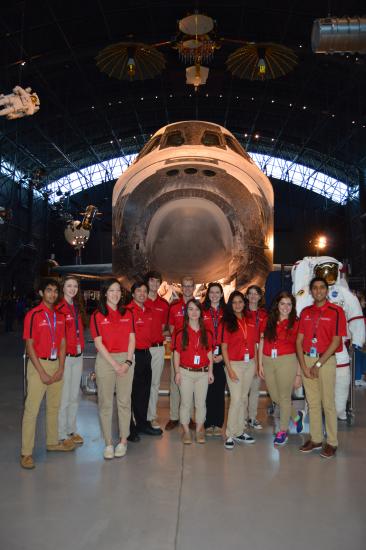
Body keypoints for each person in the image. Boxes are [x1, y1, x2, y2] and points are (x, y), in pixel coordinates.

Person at [21, 278, 75, 469]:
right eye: (49, 290)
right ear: (41, 293)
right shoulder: (33, 315)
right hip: (38, 367)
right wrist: (41, 372)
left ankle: (52, 442)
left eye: (55, 291)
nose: (52, 294)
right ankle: (26, 452)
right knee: (32, 410)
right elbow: (29, 346)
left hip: (56, 366)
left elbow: (62, 342)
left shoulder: (59, 316)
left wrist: (61, 367)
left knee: (54, 407)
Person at [296, 277, 347, 459]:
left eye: (322, 288)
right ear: (311, 291)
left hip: (325, 362)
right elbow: (299, 340)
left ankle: (332, 442)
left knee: (328, 403)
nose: (318, 291)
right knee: (313, 403)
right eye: (315, 288)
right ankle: (316, 439)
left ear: (326, 290)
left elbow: (336, 341)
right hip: (307, 360)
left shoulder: (336, 311)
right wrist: (303, 365)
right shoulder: (305, 312)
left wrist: (318, 364)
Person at [90, 279, 135, 459]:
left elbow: (132, 339)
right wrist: (115, 364)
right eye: (111, 291)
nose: (115, 294)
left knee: (124, 402)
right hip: (105, 360)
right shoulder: (97, 315)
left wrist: (127, 362)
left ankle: (123, 440)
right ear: (105, 294)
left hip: (126, 359)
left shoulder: (128, 313)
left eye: (118, 291)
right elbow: (98, 343)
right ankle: (108, 443)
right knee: (105, 403)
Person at [258, 291, 303, 445]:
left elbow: (299, 349)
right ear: (277, 305)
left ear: (293, 306)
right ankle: (296, 416)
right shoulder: (268, 320)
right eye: (282, 303)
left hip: (287, 361)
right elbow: (262, 342)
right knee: (276, 397)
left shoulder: (296, 323)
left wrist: (298, 374)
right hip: (268, 360)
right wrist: (260, 364)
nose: (285, 307)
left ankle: (283, 431)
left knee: (284, 397)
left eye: (289, 304)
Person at [221, 290, 257, 450]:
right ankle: (229, 434)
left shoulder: (250, 319)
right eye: (234, 302)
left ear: (244, 303)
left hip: (249, 363)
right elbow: (224, 348)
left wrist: (256, 364)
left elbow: (255, 341)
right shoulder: (227, 322)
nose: (237, 305)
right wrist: (229, 369)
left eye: (240, 302)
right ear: (230, 304)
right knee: (235, 399)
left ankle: (239, 431)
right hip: (234, 364)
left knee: (243, 398)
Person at [174, 299, 214, 444]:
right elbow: (176, 353)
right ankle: (185, 431)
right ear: (186, 313)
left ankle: (199, 430)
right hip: (185, 373)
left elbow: (209, 353)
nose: (194, 312)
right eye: (190, 309)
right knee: (185, 403)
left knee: (201, 404)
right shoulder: (180, 333)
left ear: (200, 312)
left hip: (202, 373)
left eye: (197, 309)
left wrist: (210, 372)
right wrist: (177, 372)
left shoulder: (207, 333)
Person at [128, 281, 163, 439]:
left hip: (146, 353)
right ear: (133, 293)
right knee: (130, 392)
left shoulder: (148, 310)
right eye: (139, 291)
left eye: (144, 291)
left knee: (144, 391)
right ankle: (130, 428)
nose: (142, 293)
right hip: (133, 354)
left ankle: (142, 424)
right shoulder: (127, 311)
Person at [56, 276, 86, 445]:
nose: (72, 289)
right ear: (63, 288)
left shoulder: (76, 306)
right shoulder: (59, 308)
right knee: (64, 397)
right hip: (65, 358)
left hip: (78, 355)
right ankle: (61, 434)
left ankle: (71, 429)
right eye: (69, 286)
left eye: (75, 286)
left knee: (74, 396)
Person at [165, 275, 196, 431]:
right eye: (185, 286)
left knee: (189, 385)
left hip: (193, 353)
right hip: (178, 352)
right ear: (181, 288)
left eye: (190, 286)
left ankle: (189, 417)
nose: (188, 288)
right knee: (175, 383)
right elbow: (171, 328)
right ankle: (174, 417)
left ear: (194, 288)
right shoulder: (174, 307)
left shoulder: (198, 306)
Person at [144, 271, 169, 429]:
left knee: (154, 384)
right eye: (151, 281)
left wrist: (160, 334)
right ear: (147, 282)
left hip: (158, 349)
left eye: (157, 281)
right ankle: (138, 415)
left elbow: (167, 329)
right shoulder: (140, 300)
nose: (154, 284)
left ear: (160, 284)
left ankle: (151, 416)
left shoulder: (164, 305)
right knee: (139, 384)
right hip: (140, 349)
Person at [202, 282, 226, 437]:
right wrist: (209, 355)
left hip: (223, 355)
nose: (215, 295)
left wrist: (223, 355)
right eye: (212, 292)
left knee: (219, 391)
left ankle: (217, 424)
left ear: (222, 294)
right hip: (206, 355)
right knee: (207, 391)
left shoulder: (227, 312)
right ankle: (207, 422)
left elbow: (231, 335)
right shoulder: (202, 311)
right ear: (208, 294)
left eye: (218, 292)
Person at [245, 285, 268, 430]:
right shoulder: (241, 313)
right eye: (250, 294)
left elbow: (265, 336)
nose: (253, 296)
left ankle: (252, 417)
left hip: (260, 351)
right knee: (242, 389)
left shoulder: (264, 315)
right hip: (245, 352)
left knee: (254, 388)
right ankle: (240, 418)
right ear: (246, 296)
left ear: (260, 297)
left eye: (256, 294)